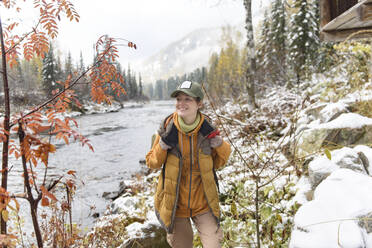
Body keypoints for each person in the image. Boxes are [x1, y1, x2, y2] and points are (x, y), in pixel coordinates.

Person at [146, 81, 231, 248]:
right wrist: (163, 145)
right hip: (176, 208)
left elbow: (220, 162)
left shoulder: (208, 129)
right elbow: (152, 163)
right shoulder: (166, 128)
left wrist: (220, 144)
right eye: (178, 99)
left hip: (204, 204)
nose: (181, 104)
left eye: (187, 99)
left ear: (199, 104)